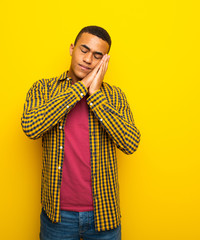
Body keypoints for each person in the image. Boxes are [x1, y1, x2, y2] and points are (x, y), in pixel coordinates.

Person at [21, 25, 140, 240]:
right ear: (71, 49)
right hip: (58, 216)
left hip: (104, 215)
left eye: (97, 56)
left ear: (104, 61)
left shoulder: (114, 96)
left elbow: (131, 143)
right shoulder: (44, 89)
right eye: (83, 50)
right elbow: (31, 127)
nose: (87, 59)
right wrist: (81, 88)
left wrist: (95, 95)